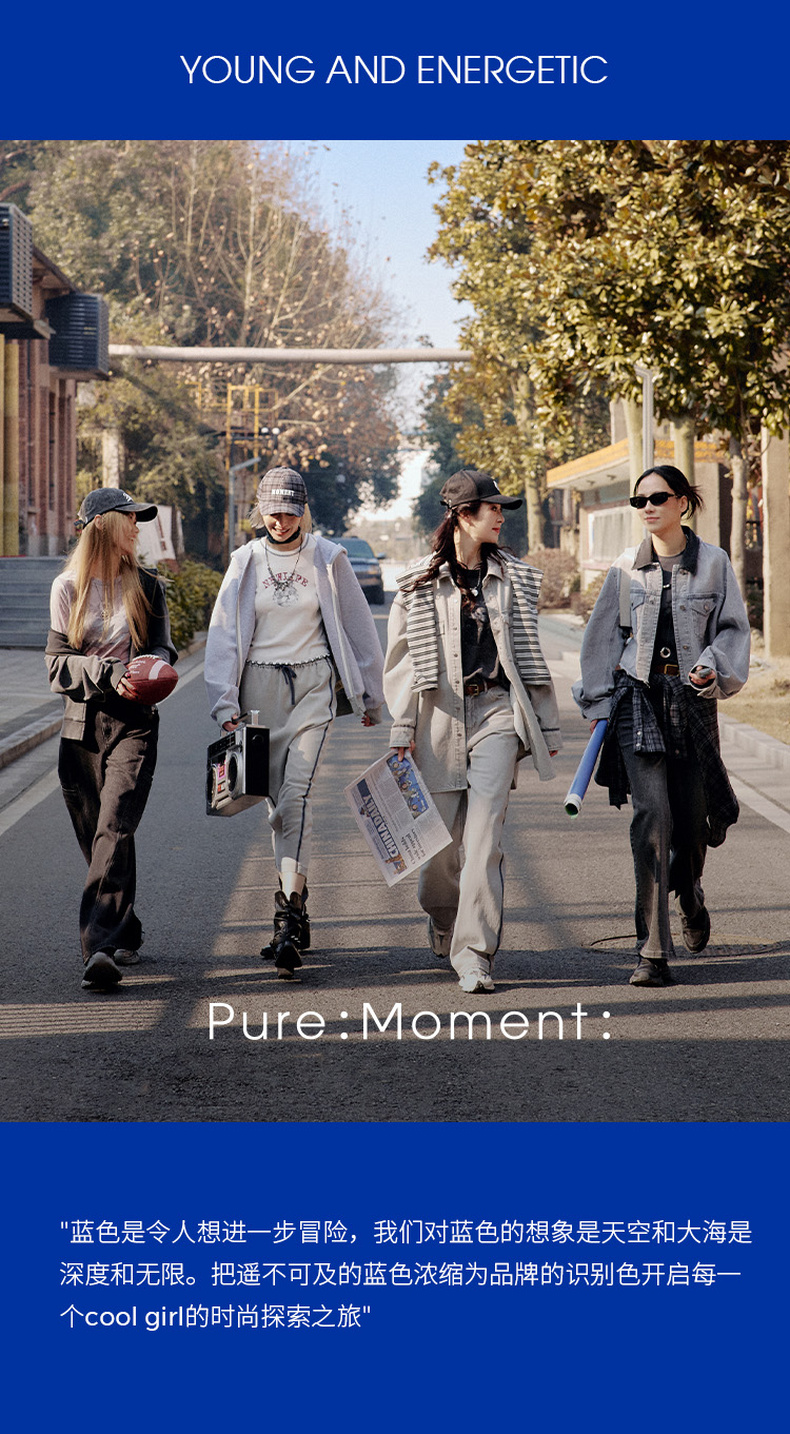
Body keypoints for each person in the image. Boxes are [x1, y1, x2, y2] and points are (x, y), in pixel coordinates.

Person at [384, 468, 561, 995]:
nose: (501, 517)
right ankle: (444, 917)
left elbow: (529, 655)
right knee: (437, 854)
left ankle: (474, 952)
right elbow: (400, 663)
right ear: (463, 515)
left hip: (497, 713)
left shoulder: (514, 578)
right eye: (492, 508)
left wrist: (545, 722)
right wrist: (402, 727)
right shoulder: (417, 584)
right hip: (437, 717)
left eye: (502, 509)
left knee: (484, 840)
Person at [573, 464, 751, 988]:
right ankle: (651, 951)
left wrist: (712, 666)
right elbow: (602, 636)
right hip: (638, 700)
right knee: (652, 818)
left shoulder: (714, 563)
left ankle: (690, 895)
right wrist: (598, 703)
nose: (647, 507)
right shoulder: (624, 567)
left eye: (657, 498)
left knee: (692, 825)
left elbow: (733, 630)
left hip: (692, 702)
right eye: (639, 500)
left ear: (682, 503)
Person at [204, 466, 385, 979]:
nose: (281, 521)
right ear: (259, 512)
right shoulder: (245, 561)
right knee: (275, 807)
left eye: (289, 512)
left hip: (313, 687)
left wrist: (371, 696)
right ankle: (296, 901)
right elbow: (223, 635)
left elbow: (358, 627)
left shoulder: (328, 557)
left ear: (303, 510)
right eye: (272, 512)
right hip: (258, 693)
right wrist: (224, 702)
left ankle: (286, 917)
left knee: (296, 795)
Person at [45, 487, 178, 991]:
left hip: (134, 720)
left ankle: (97, 948)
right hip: (80, 724)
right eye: (130, 518)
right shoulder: (67, 588)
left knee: (115, 824)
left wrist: (150, 669)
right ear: (103, 524)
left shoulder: (147, 585)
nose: (137, 527)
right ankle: (126, 926)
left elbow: (163, 647)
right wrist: (108, 671)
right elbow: (57, 665)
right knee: (98, 838)